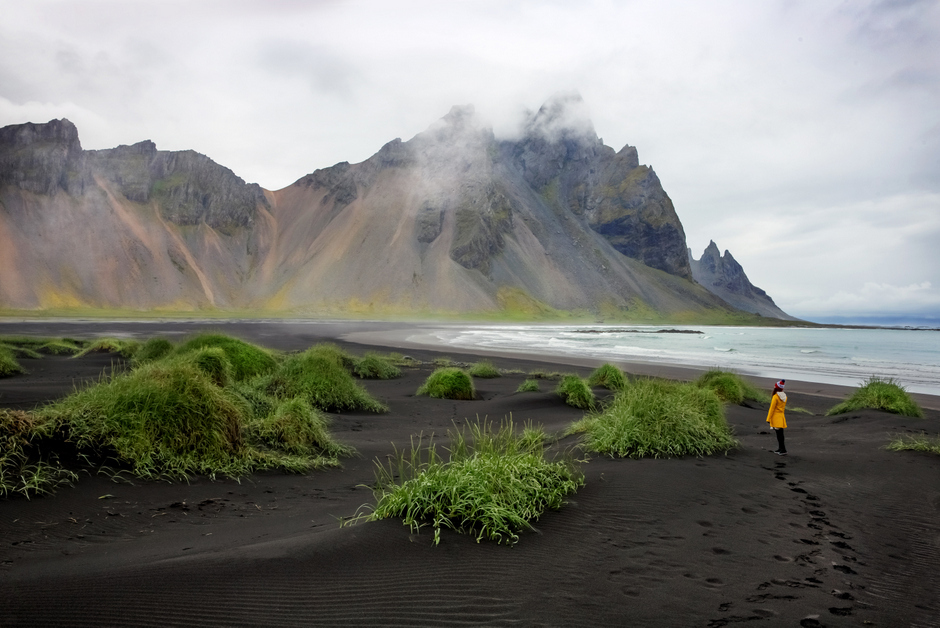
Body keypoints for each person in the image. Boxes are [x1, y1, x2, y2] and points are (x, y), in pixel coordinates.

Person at [766, 379, 788, 455]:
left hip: (776, 417)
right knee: (780, 434)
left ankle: (783, 449)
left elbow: (771, 409)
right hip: (781, 417)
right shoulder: (785, 396)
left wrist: (768, 419)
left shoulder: (775, 397)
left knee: (779, 435)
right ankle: (781, 448)